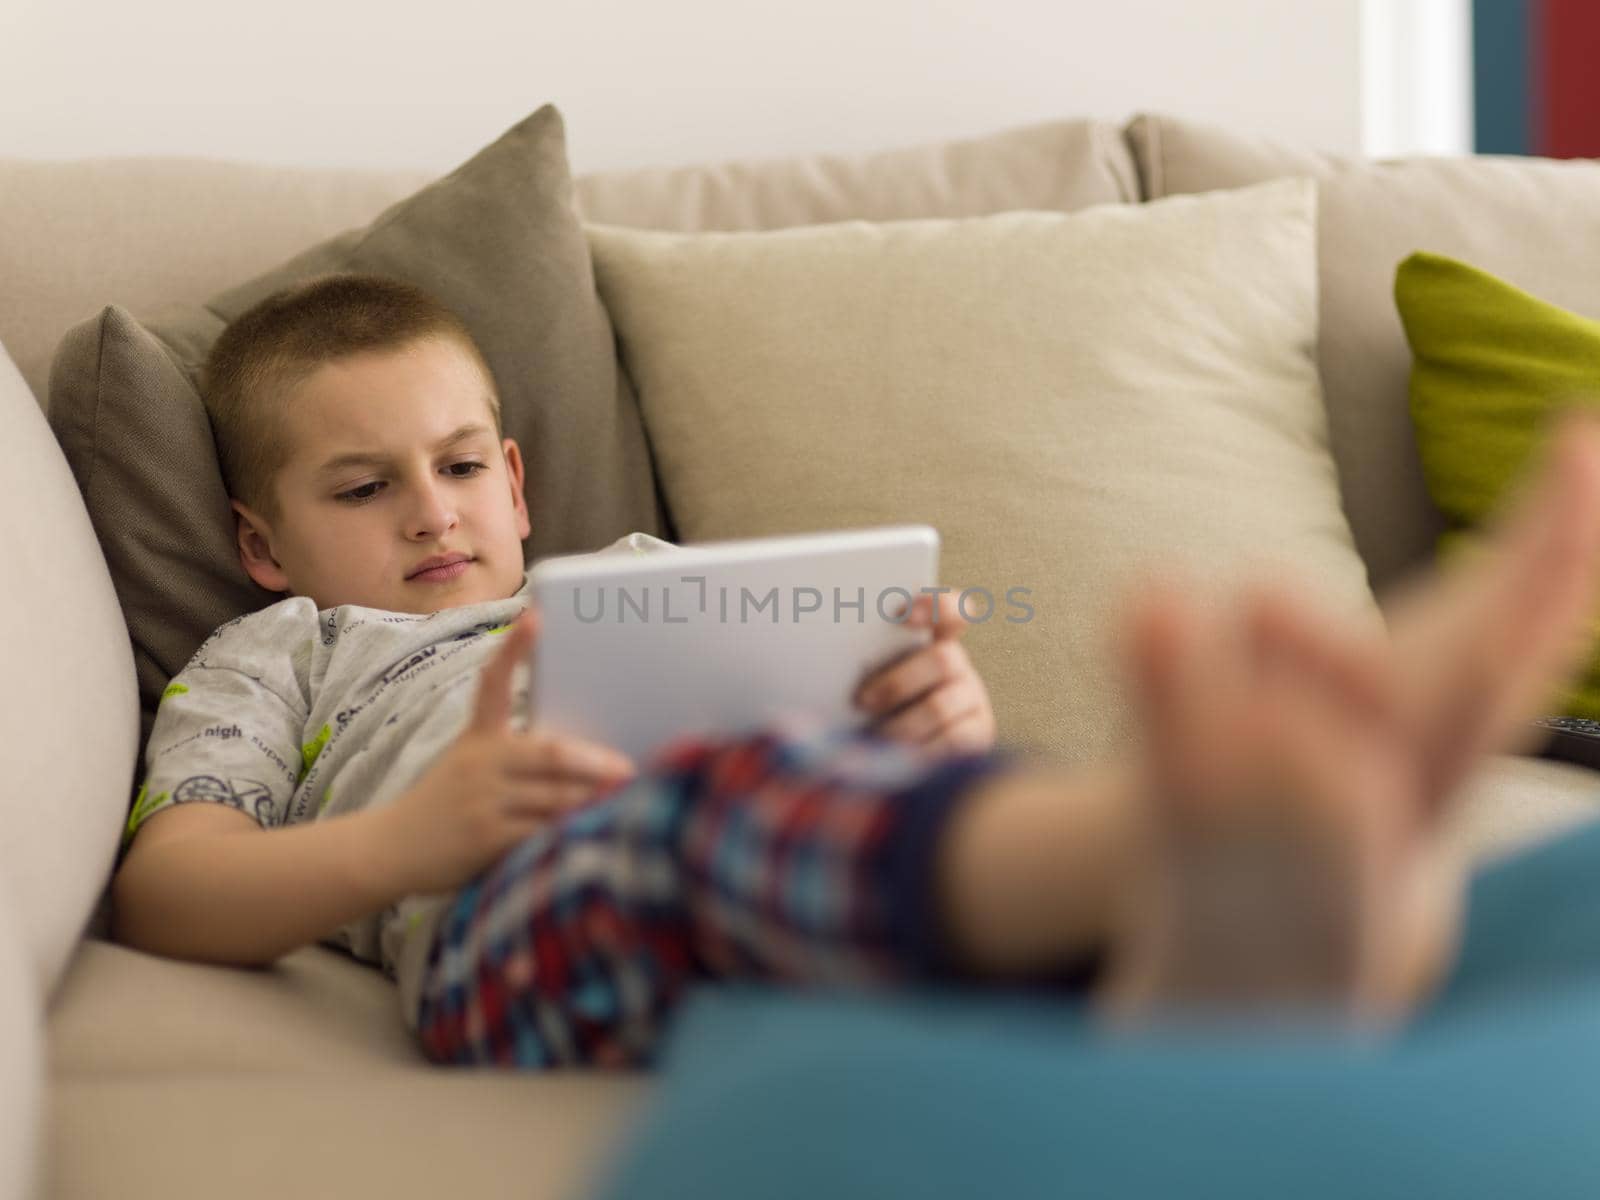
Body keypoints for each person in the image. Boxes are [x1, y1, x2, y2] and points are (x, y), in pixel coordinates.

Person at [109, 270, 1600, 1069]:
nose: (430, 513)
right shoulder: (283, 649)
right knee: (699, 829)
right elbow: (169, 886)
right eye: (363, 491)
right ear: (263, 542)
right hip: (521, 916)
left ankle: (1206, 946)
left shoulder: (638, 577)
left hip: (791, 862)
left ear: (513, 478)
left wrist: (940, 726)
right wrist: (402, 843)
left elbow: (836, 769)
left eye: (452, 469)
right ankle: (1190, 842)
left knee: (861, 807)